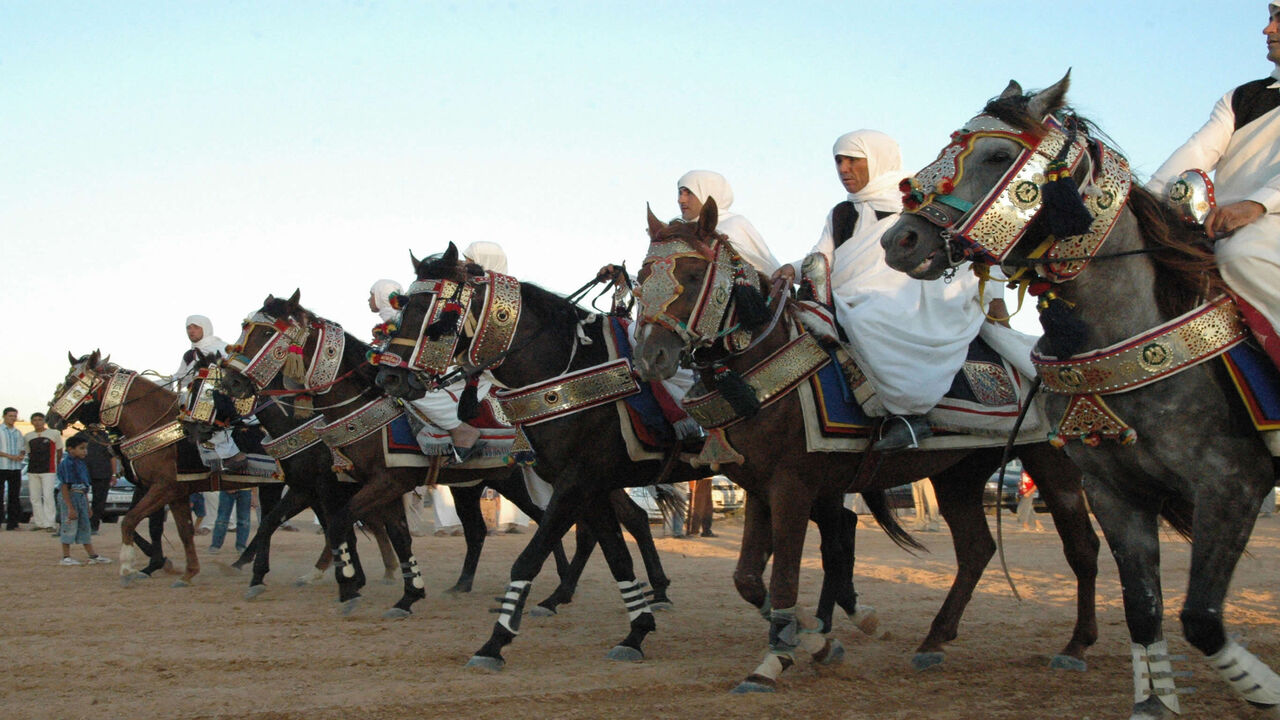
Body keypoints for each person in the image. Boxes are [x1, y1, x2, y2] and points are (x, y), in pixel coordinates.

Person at [775, 130, 1034, 451]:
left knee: (868, 318)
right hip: (854, 291)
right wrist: (793, 268)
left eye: (853, 160)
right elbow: (824, 256)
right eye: (838, 161)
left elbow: (963, 240)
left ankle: (909, 414)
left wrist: (995, 301)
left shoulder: (918, 197)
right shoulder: (842, 213)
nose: (843, 169)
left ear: (877, 160)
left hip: (920, 290)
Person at [1147, 3, 1280, 368]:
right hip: (1225, 223)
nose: (1267, 30)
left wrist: (1257, 205)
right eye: (1269, 19)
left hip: (1261, 225)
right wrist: (1144, 204)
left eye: (1278, 19)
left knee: (1243, 255)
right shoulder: (1241, 97)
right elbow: (1196, 153)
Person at [405, 242, 505, 462]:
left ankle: (460, 430)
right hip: (464, 364)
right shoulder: (466, 293)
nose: (462, 264)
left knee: (415, 389)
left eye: (469, 260)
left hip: (484, 370)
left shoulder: (500, 299)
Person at [675, 170, 781, 275]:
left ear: (707, 193)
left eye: (689, 193)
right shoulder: (677, 233)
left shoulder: (734, 224)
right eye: (680, 193)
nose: (681, 200)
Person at [56, 436, 111, 565]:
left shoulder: (81, 463)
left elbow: (84, 487)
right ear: (70, 449)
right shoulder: (66, 464)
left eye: (85, 448)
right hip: (69, 496)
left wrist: (87, 506)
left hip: (80, 496)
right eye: (81, 448)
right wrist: (70, 507)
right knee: (69, 525)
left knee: (85, 526)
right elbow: (64, 486)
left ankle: (92, 555)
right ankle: (66, 557)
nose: (85, 451)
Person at [23, 412, 63, 532]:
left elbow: (59, 450)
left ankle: (50, 523)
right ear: (31, 422)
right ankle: (39, 522)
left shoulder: (54, 433)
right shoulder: (28, 436)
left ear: (44, 421)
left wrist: (57, 464)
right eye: (35, 420)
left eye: (40, 419)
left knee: (48, 496)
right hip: (33, 470)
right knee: (35, 497)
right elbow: (29, 452)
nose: (37, 422)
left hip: (48, 470)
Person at [75, 427, 116, 534]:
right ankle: (80, 525)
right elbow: (73, 454)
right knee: (79, 499)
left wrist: (114, 474)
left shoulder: (105, 437)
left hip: (103, 473)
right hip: (83, 473)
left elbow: (112, 457)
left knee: (99, 502)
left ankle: (93, 525)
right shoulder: (79, 436)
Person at [0, 407, 24, 530]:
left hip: (15, 468)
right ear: (4, 416)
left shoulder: (18, 432)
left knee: (14, 496)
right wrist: (10, 456)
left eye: (15, 416)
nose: (13, 418)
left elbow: (22, 447)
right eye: (10, 416)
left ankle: (13, 523)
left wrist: (21, 455)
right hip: (2, 466)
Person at [209, 488, 252, 554]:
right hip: (227, 487)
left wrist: (254, 494)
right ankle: (215, 545)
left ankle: (241, 546)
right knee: (222, 519)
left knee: (244, 520)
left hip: (246, 489)